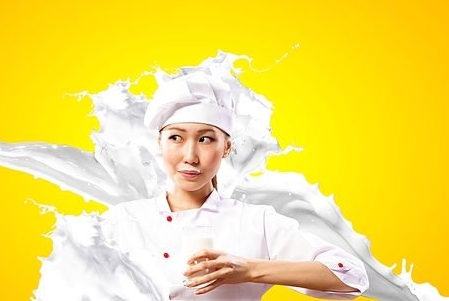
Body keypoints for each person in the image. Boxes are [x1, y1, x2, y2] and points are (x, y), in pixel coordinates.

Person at [101, 72, 369, 300]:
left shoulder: (256, 222)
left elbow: (351, 275)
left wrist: (250, 269)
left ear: (226, 147)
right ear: (160, 143)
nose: (190, 156)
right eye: (176, 138)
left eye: (205, 139)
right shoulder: (122, 221)